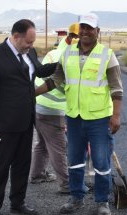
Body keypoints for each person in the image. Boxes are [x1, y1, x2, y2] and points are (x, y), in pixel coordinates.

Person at [36, 13, 123, 215]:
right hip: (74, 118)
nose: (85, 31)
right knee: (75, 160)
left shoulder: (106, 55)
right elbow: (55, 80)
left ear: (97, 32)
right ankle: (76, 197)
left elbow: (117, 89)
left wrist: (116, 116)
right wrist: (31, 93)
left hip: (99, 119)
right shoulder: (67, 54)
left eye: (89, 28)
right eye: (82, 27)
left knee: (101, 163)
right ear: (77, 31)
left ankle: (102, 202)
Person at [0, 19, 45, 215]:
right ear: (16, 37)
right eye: (28, 42)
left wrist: (63, 65)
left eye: (33, 42)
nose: (31, 46)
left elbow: (40, 71)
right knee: (0, 165)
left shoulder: (29, 53)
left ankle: (18, 202)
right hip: (2, 127)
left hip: (25, 123)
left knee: (22, 164)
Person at [29, 23, 79, 193]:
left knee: (43, 143)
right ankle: (66, 184)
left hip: (39, 106)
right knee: (59, 148)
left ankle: (37, 174)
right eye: (79, 37)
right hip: (53, 109)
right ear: (71, 38)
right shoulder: (70, 58)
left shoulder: (53, 53)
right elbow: (61, 85)